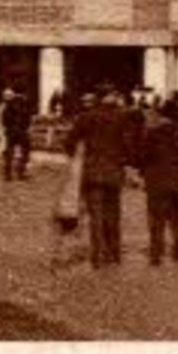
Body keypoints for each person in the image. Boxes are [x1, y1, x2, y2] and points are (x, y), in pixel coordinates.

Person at [64, 90, 137, 268]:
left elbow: (69, 141)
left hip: (93, 172)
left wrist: (76, 155)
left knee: (96, 215)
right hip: (114, 173)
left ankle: (97, 256)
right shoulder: (122, 118)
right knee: (113, 214)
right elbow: (130, 144)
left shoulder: (87, 117)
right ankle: (114, 254)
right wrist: (126, 162)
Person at [136, 98, 178, 265]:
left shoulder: (153, 134)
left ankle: (156, 254)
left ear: (163, 116)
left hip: (157, 181)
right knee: (177, 218)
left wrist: (141, 173)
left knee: (156, 218)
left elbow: (143, 156)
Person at [2, 89, 34, 180]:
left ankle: (7, 174)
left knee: (9, 152)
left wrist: (9, 128)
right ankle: (20, 172)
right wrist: (26, 127)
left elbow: (4, 121)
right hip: (21, 132)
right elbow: (27, 117)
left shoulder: (7, 106)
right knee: (25, 151)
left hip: (11, 132)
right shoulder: (22, 104)